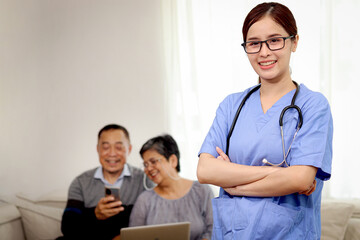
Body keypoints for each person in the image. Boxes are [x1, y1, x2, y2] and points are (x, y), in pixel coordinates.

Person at [197, 2, 333, 240]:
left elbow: (300, 178)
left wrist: (230, 181)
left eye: (274, 40)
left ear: (294, 42)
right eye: (254, 43)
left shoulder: (313, 106)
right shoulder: (232, 106)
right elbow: (205, 170)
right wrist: (282, 175)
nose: (264, 52)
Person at [59, 124, 153, 240]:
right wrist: (95, 215)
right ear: (98, 149)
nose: (112, 153)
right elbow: (68, 228)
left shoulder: (145, 180)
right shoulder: (80, 183)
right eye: (105, 147)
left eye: (118, 147)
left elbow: (155, 223)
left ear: (129, 149)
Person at [129, 134, 214, 240]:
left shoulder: (202, 191)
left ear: (173, 160)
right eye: (145, 164)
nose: (149, 168)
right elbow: (133, 237)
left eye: (153, 162)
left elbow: (213, 230)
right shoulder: (144, 200)